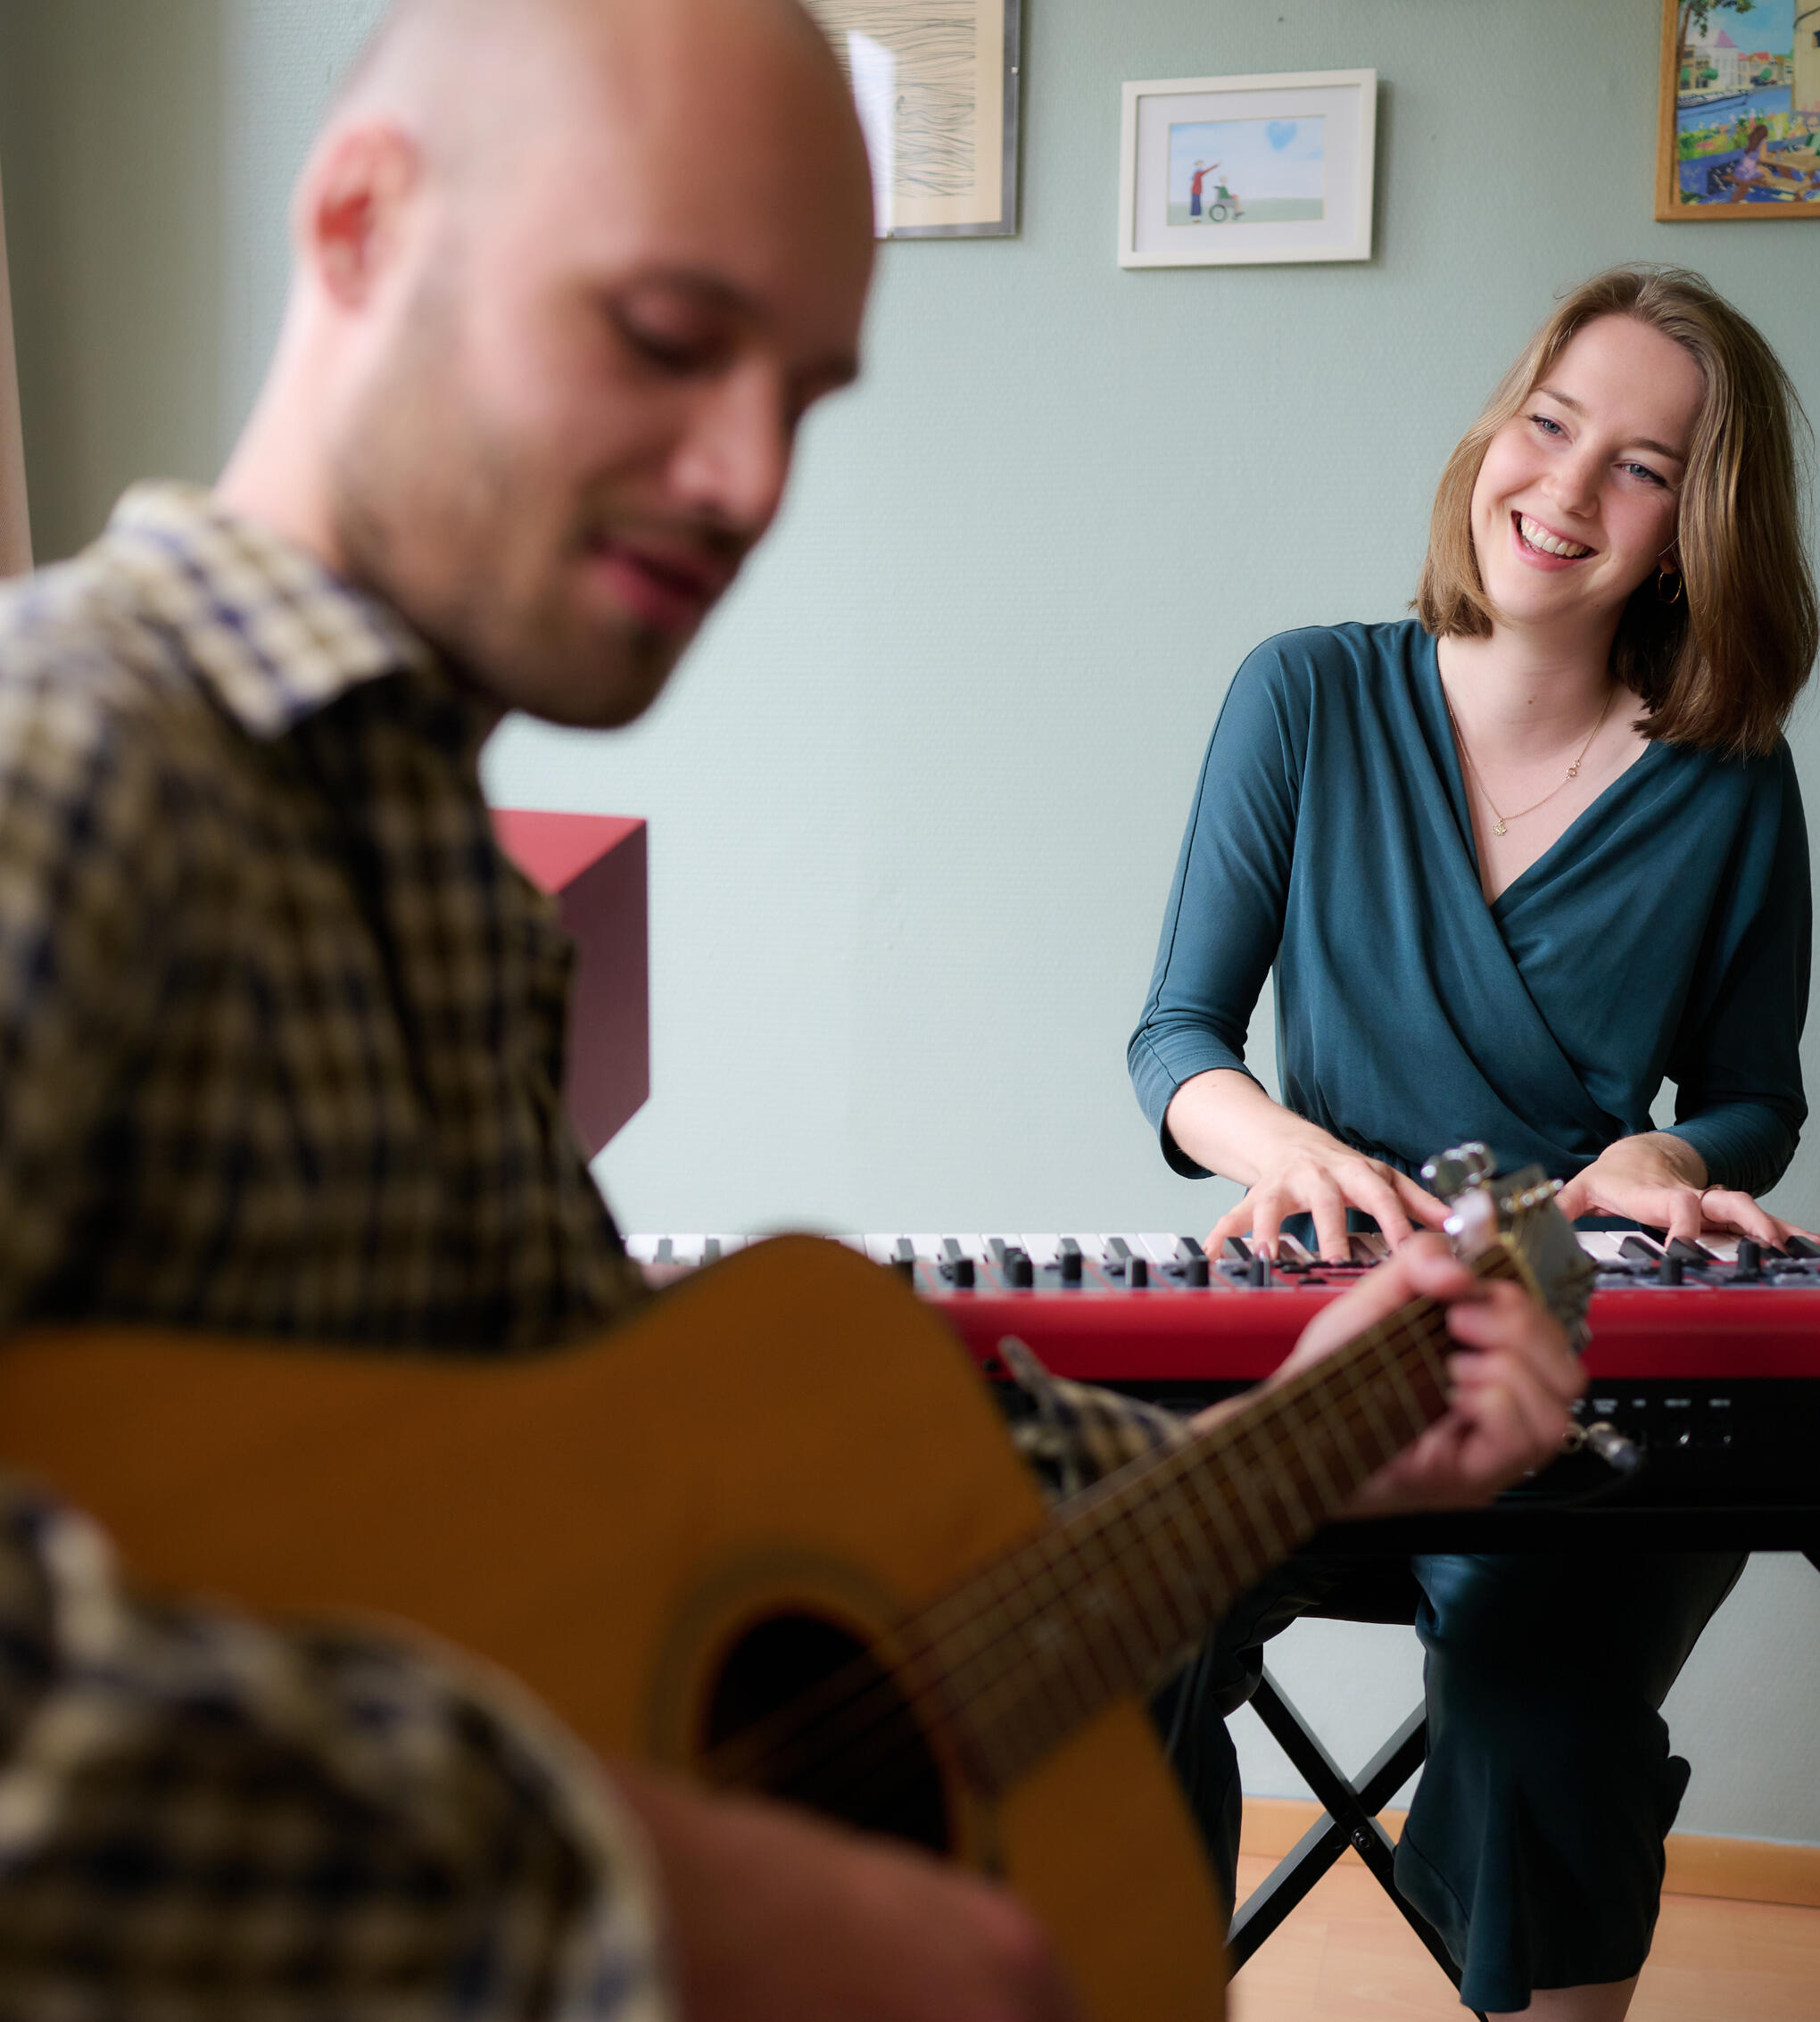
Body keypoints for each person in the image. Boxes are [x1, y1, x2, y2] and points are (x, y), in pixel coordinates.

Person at [0, 0, 1584, 2014]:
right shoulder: (63, 759)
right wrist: (660, 1906)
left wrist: (1306, 1446)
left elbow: (646, 1532)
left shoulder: (427, 884)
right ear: (360, 221)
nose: (749, 476)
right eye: (666, 336)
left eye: (804, 392)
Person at [1129, 264, 1817, 2021]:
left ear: (1696, 528)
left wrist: (1675, 1160)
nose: (1570, 492)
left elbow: (1757, 1097)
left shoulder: (1734, 780)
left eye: (1644, 467)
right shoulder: (1302, 695)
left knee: (1536, 1672)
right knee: (1116, 1614)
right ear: (1495, 434)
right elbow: (1177, 1041)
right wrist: (1275, 1141)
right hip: (1310, 1331)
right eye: (1551, 423)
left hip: (1587, 1343)